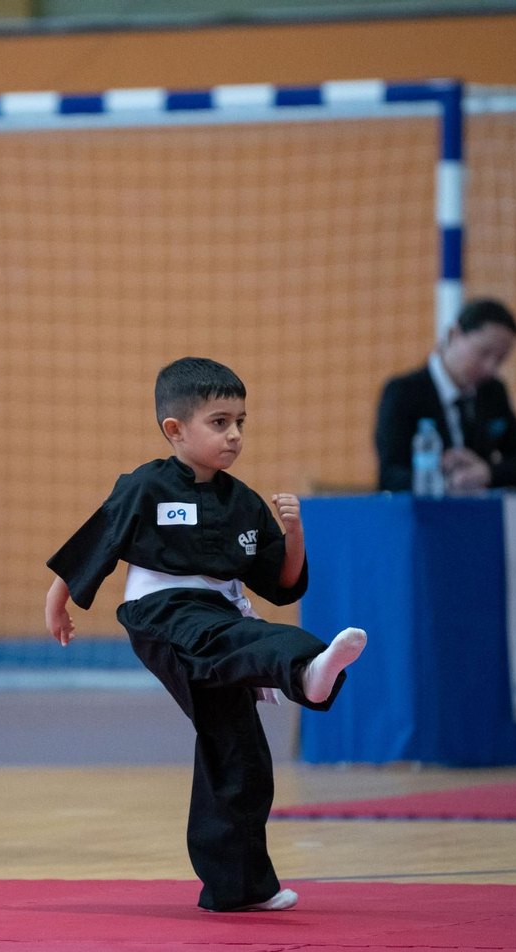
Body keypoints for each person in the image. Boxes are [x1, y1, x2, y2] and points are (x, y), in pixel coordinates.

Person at [45, 357, 367, 913]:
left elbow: (281, 583)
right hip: (162, 615)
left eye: (241, 421)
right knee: (234, 639)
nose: (235, 435)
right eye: (220, 422)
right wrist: (58, 602)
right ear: (176, 430)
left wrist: (293, 534)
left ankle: (238, 889)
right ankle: (305, 673)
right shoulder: (144, 486)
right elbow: (95, 543)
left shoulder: (243, 501)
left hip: (218, 615)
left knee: (237, 749)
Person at [374, 297, 516, 492]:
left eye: (500, 359)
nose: (491, 368)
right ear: (455, 334)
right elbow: (390, 476)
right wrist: (445, 481)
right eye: (483, 352)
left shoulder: (492, 392)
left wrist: (486, 471)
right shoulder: (404, 392)